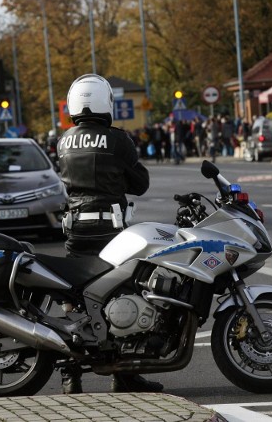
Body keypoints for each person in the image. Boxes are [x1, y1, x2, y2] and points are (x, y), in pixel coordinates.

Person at [56, 74, 162, 395]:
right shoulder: (117, 140)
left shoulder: (63, 141)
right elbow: (140, 184)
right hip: (111, 232)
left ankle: (70, 375)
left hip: (75, 232)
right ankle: (125, 376)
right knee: (126, 295)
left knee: (77, 301)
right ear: (106, 103)